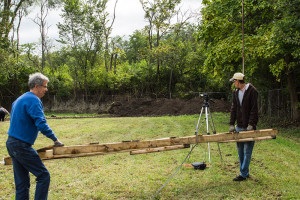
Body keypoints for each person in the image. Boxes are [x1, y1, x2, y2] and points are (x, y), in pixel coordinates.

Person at [6, 72, 64, 200]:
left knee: (22, 183)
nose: (46, 89)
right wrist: (55, 139)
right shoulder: (33, 100)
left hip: (11, 143)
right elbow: (41, 123)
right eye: (44, 86)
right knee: (43, 176)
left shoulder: (19, 99)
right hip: (21, 145)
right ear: (36, 86)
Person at [229, 72, 258, 181]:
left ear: (238, 81)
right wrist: (232, 123)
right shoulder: (235, 92)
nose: (233, 84)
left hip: (248, 127)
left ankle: (243, 173)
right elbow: (233, 109)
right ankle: (244, 172)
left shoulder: (252, 91)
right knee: (240, 151)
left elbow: (254, 109)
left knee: (247, 151)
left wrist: (251, 124)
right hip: (239, 126)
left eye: (234, 81)